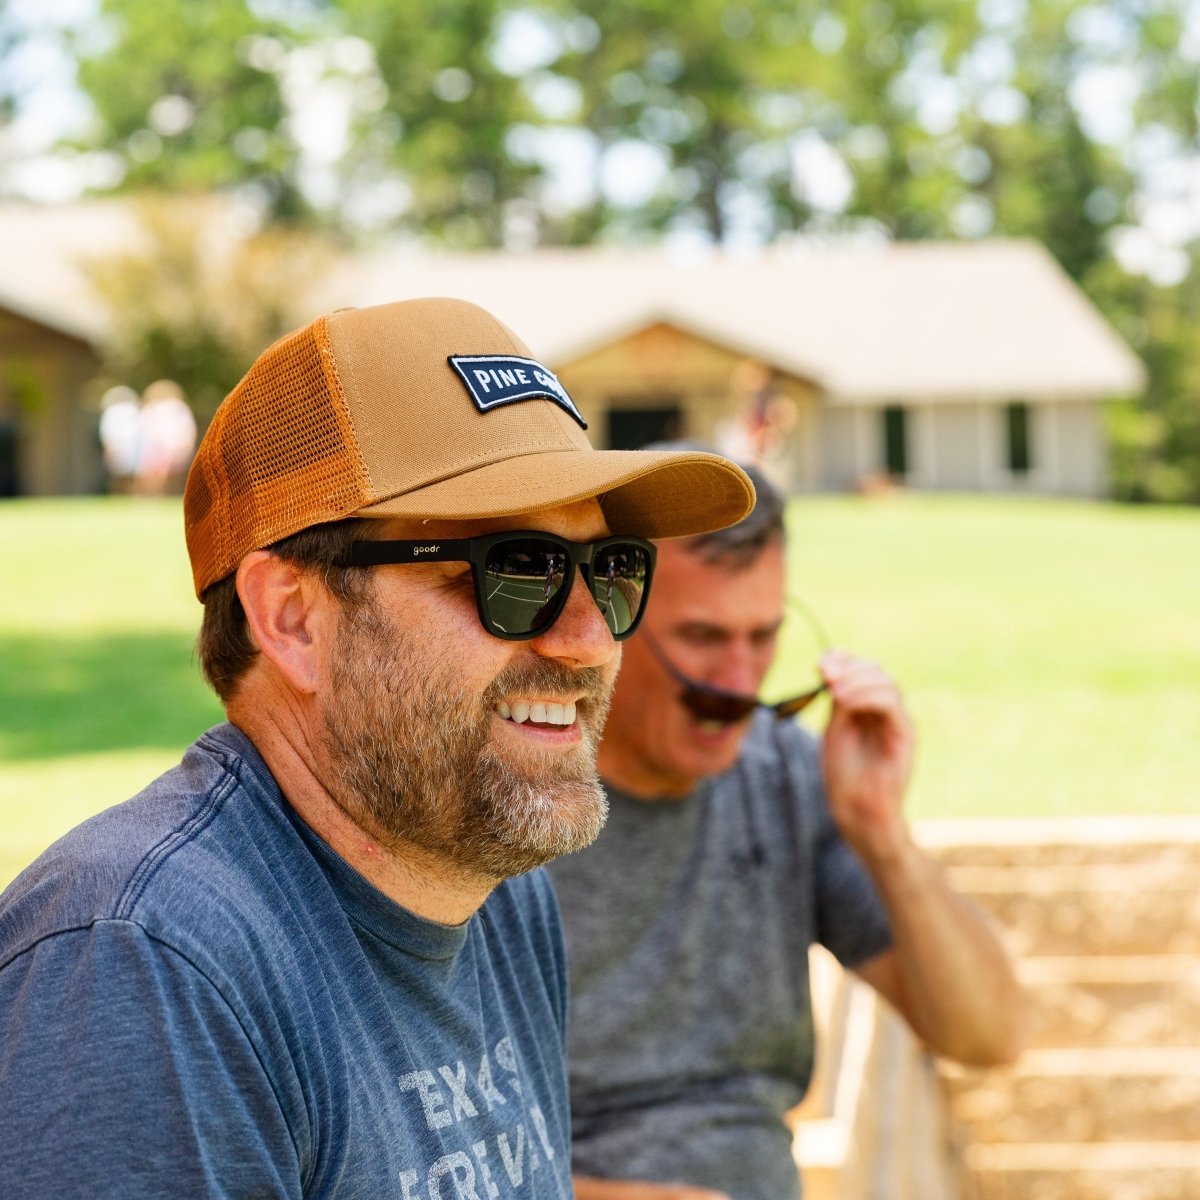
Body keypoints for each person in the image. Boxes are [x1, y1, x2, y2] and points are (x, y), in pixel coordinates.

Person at [0, 301, 754, 1199]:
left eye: (613, 567)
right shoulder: (147, 965)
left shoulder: (499, 898)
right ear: (292, 617)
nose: (588, 639)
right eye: (515, 570)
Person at [545, 450, 1028, 1200]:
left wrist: (883, 837)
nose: (741, 680)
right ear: (612, 614)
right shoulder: (514, 803)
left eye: (763, 637)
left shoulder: (789, 774)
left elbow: (987, 1035)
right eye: (704, 638)